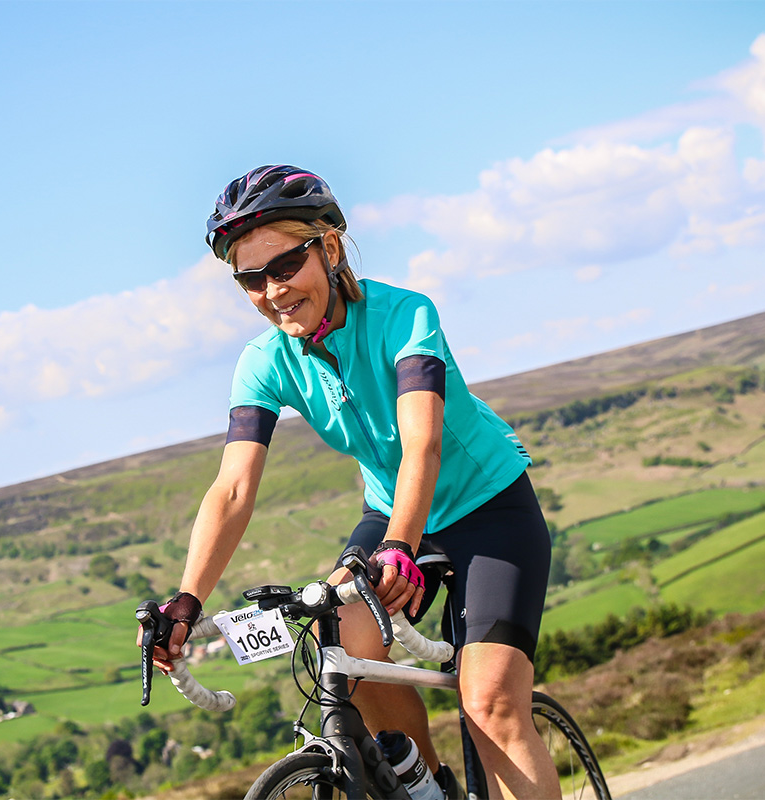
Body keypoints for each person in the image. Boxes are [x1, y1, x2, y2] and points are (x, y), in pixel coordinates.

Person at [139, 165, 561, 800]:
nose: (272, 291)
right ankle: (429, 788)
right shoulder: (264, 362)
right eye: (250, 279)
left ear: (329, 247)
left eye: (284, 266)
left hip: (488, 508)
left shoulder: (405, 315)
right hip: (391, 514)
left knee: (492, 705)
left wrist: (400, 547)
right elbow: (232, 489)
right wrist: (186, 600)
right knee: (346, 660)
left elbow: (422, 442)